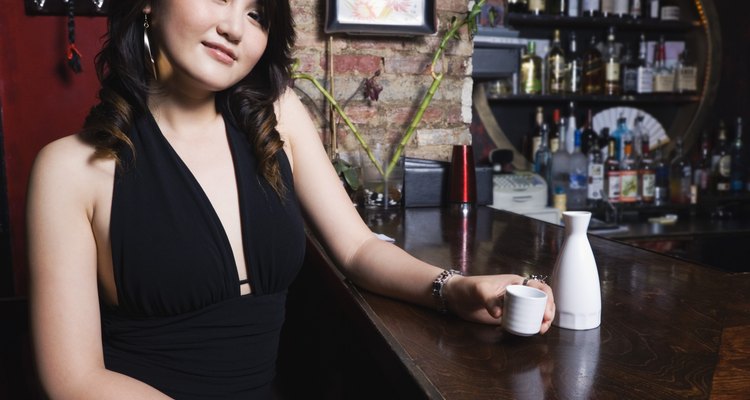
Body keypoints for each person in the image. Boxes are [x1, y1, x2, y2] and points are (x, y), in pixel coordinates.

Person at [26, 0, 555, 398]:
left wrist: (454, 289)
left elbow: (357, 249)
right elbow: (74, 379)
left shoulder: (276, 116)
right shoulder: (69, 170)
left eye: (256, 13)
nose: (235, 26)